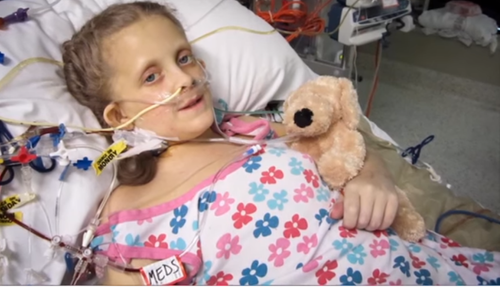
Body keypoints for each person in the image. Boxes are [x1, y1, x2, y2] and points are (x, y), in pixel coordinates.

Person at [61, 2, 499, 286]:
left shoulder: (248, 129)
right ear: (118, 116)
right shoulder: (124, 213)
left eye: (183, 58)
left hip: (422, 267)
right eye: (152, 77)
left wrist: (372, 175)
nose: (185, 78)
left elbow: (341, 141)